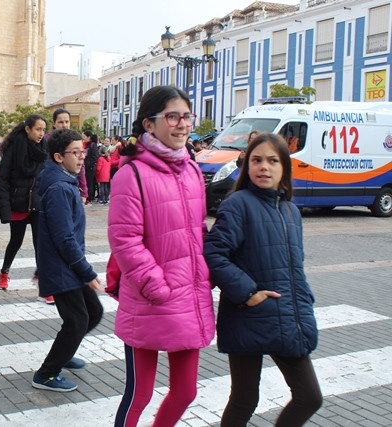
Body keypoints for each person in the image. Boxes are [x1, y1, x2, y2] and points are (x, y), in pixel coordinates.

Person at [109, 85, 215, 426]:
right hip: (151, 298)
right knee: (140, 394)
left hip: (189, 296)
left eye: (186, 116)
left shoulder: (193, 171)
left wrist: (209, 271)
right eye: (173, 116)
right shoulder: (132, 173)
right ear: (149, 124)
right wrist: (157, 286)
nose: (182, 124)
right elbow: (125, 240)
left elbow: (197, 231)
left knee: (186, 392)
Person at [203, 133, 322, 427]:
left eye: (272, 161)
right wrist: (248, 293)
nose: (264, 167)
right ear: (247, 166)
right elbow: (214, 255)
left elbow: (296, 267)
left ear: (285, 168)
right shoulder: (238, 204)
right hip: (248, 314)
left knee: (309, 397)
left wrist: (303, 299)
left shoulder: (291, 211)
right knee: (245, 399)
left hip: (286, 316)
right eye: (256, 160)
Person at [31, 128, 103, 392]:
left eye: (82, 151)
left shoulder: (65, 182)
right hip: (65, 267)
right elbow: (63, 238)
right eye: (76, 152)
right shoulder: (60, 188)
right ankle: (47, 374)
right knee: (77, 321)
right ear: (60, 157)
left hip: (67, 265)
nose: (82, 157)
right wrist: (86, 271)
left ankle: (64, 352)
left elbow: (52, 234)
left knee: (93, 313)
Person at [0, 114, 53, 303]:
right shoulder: (13, 148)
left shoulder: (43, 149)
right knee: (16, 241)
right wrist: (4, 209)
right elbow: (3, 180)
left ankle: (44, 286)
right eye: (38, 129)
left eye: (43, 130)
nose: (41, 133)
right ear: (27, 128)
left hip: (37, 203)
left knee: (41, 244)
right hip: (18, 203)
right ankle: (4, 272)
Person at [44, 108, 89, 204]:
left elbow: (81, 167)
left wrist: (84, 191)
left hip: (72, 186)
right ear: (54, 123)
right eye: (60, 122)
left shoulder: (74, 139)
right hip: (51, 188)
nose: (64, 125)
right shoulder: (46, 140)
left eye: (67, 122)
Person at [83, 131, 99, 204]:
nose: (83, 138)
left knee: (90, 183)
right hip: (86, 167)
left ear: (88, 137)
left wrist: (89, 164)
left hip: (90, 168)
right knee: (86, 183)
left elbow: (95, 157)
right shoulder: (87, 145)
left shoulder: (93, 145)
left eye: (84, 137)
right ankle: (87, 197)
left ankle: (89, 198)